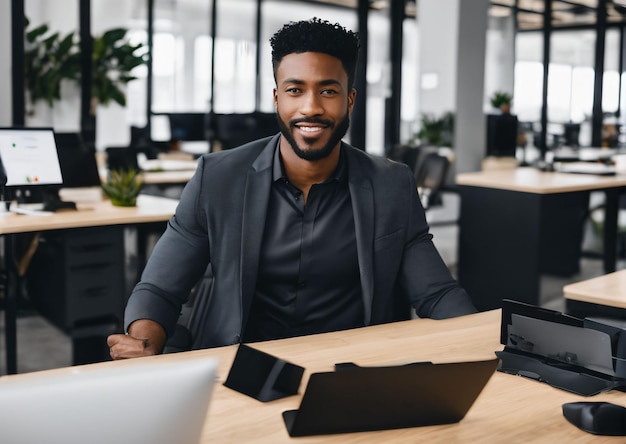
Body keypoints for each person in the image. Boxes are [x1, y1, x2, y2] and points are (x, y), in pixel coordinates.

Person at [107, 17, 476, 360]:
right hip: (237, 366)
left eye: (328, 91)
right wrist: (145, 340)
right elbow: (159, 289)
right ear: (277, 98)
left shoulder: (391, 183)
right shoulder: (217, 178)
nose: (310, 107)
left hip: (346, 371)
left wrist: (484, 342)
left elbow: (436, 293)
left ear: (350, 100)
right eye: (295, 90)